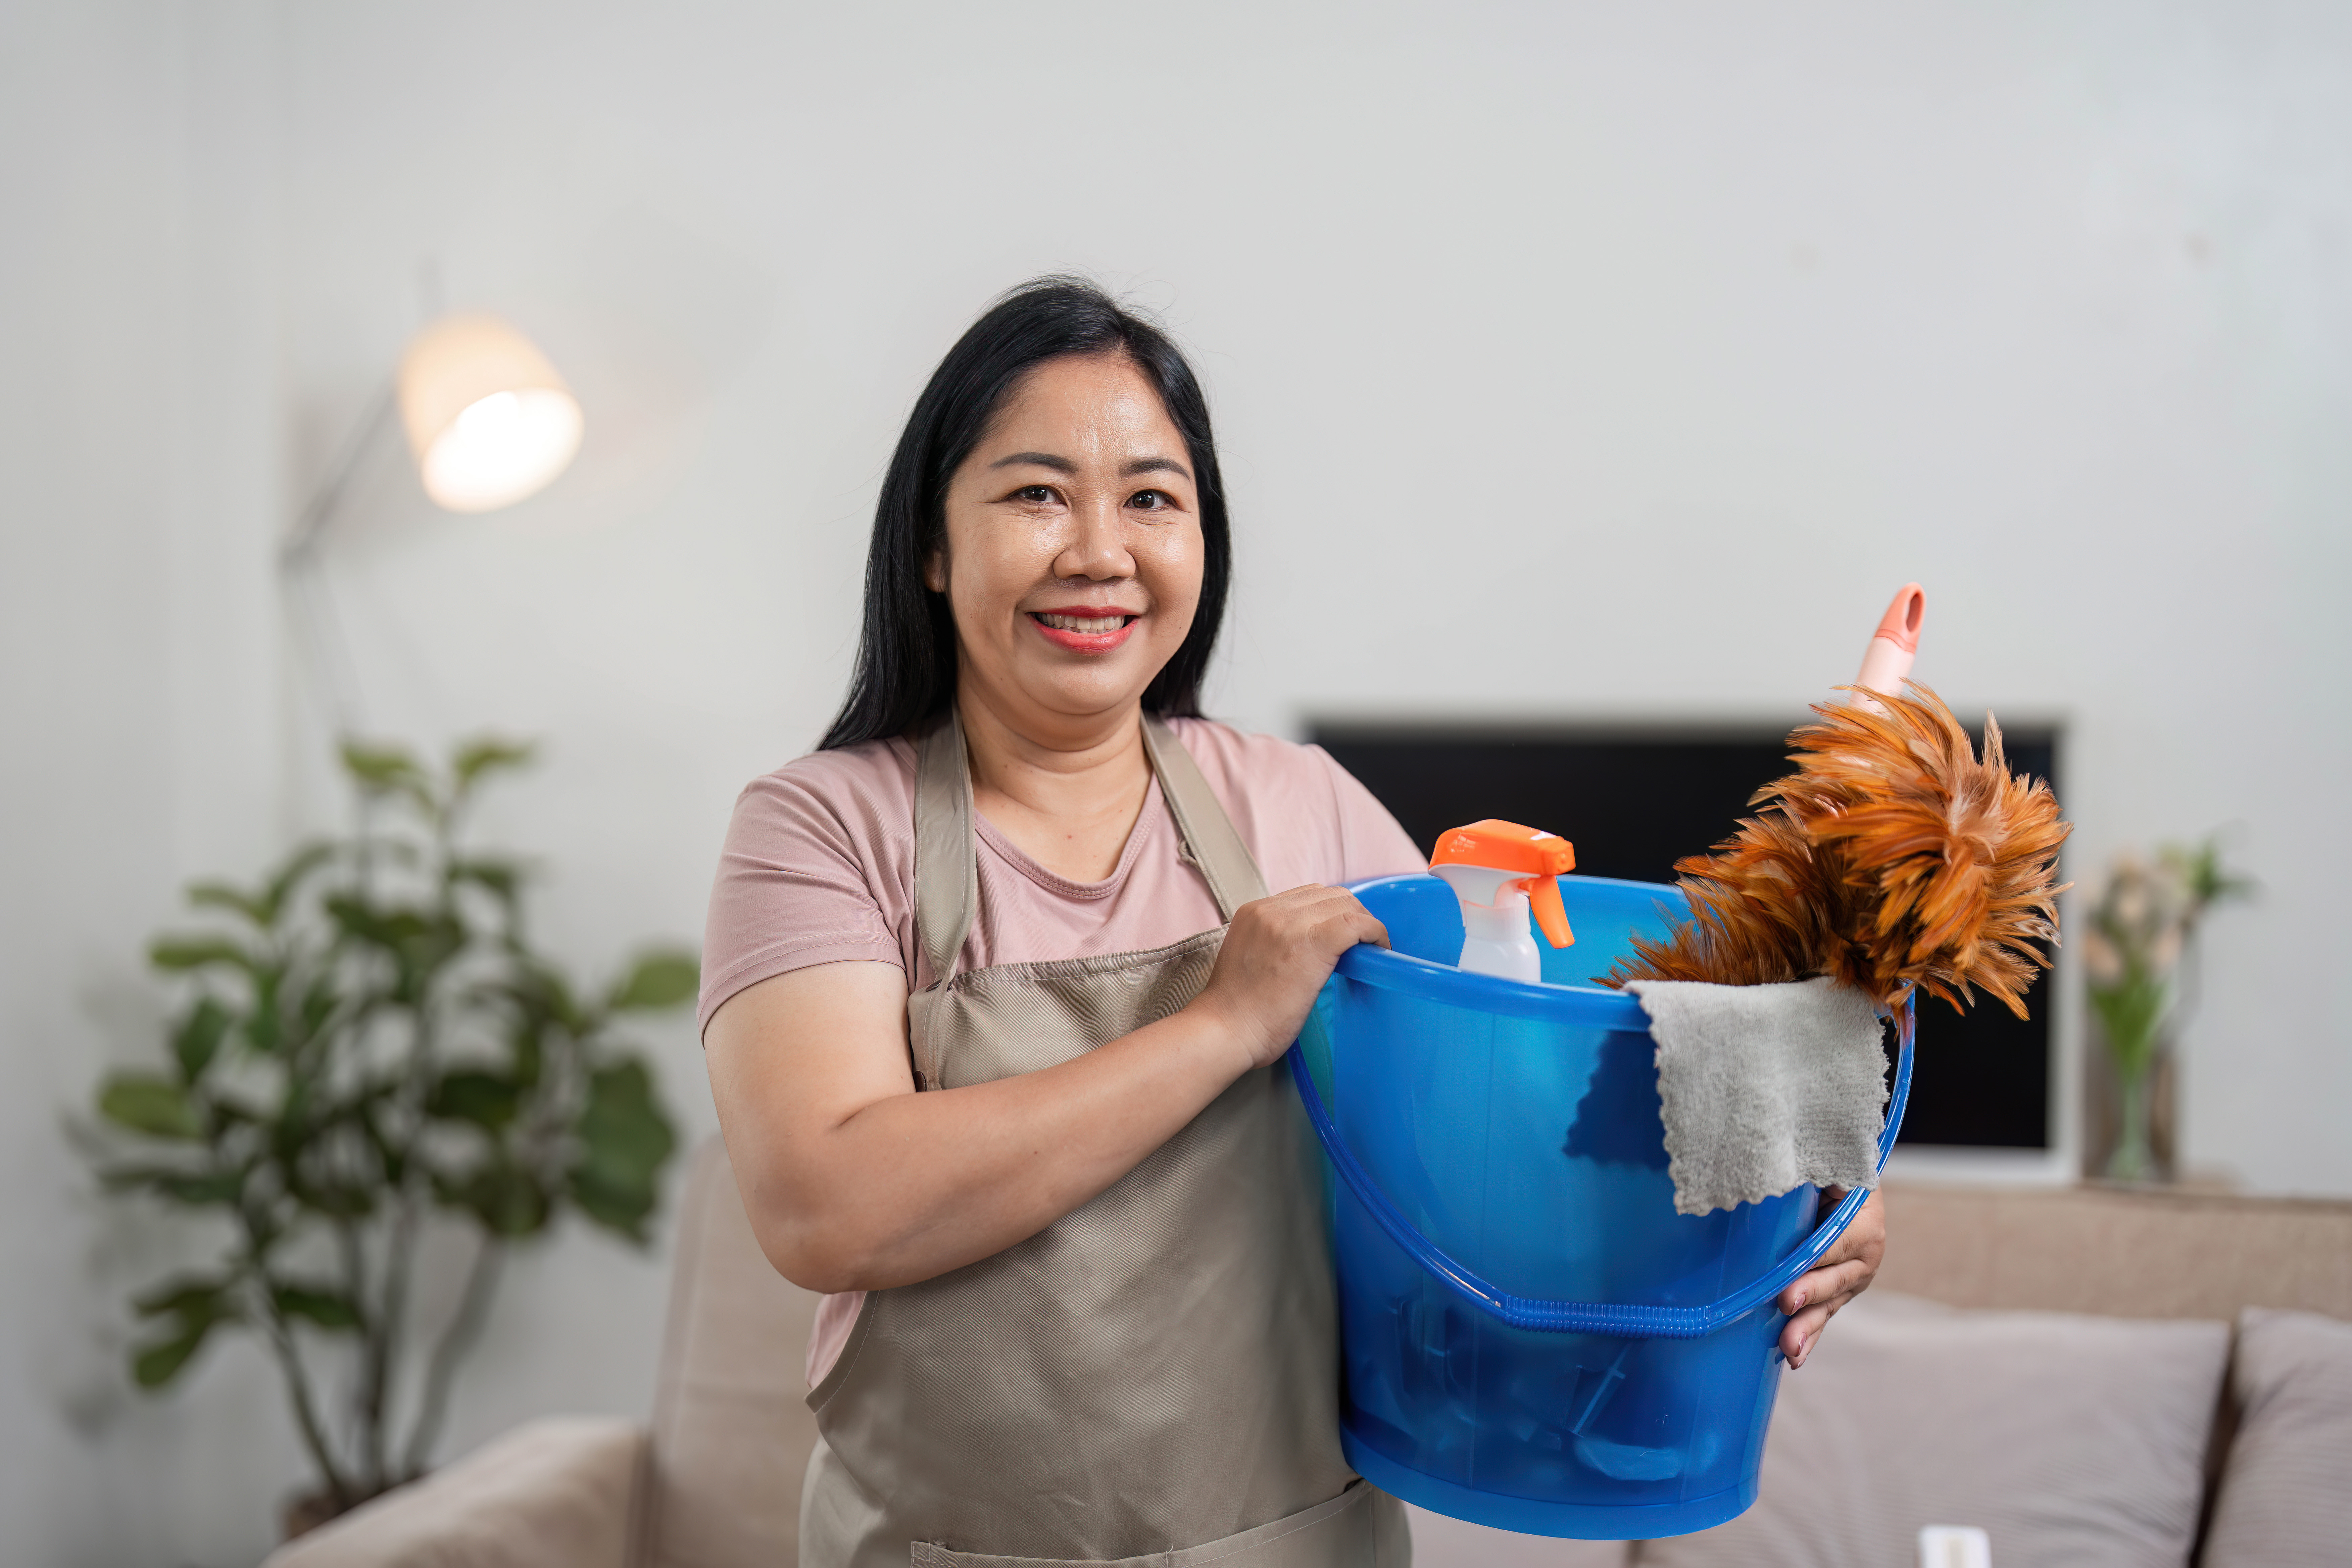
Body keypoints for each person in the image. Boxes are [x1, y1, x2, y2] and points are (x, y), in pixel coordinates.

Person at [699, 278, 1885, 1567]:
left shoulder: (1300, 809)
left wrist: (1797, 1175)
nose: (1100, 550)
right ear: (932, 543)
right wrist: (1222, 1027)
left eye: (1153, 498)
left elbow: (1523, 1122)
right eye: (1038, 492)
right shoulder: (822, 829)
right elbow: (827, 1208)